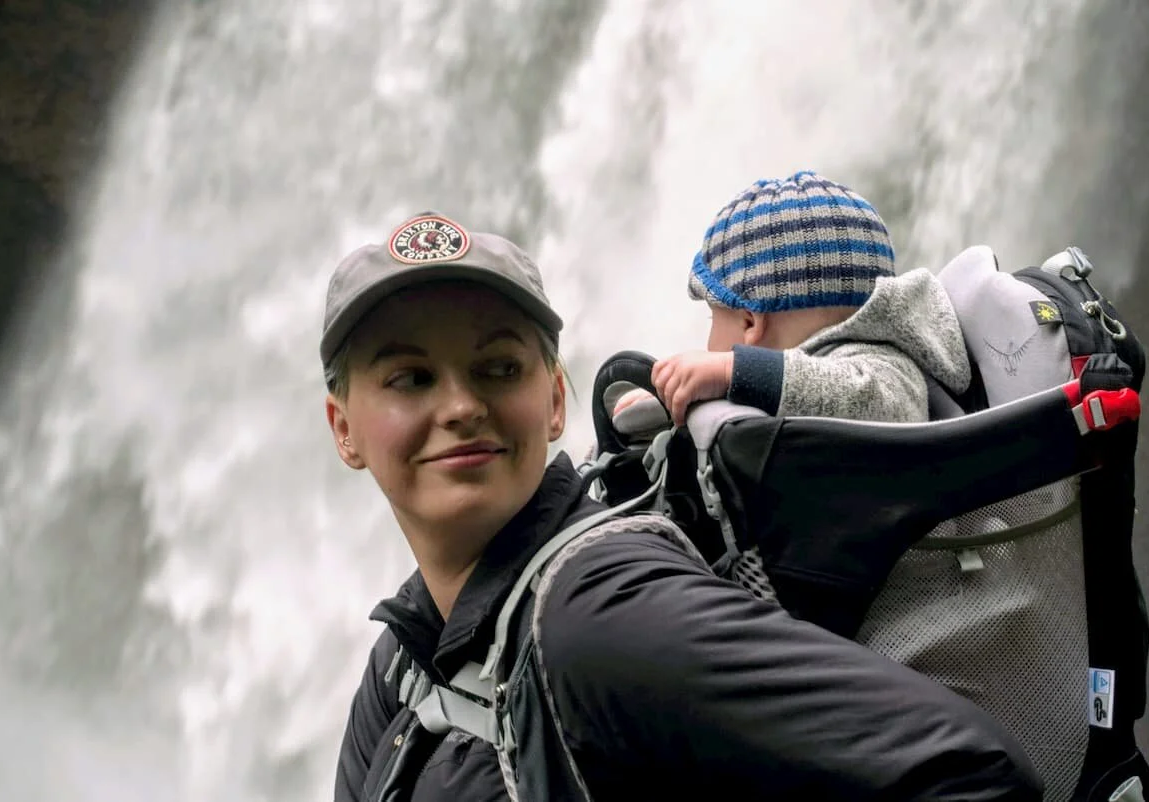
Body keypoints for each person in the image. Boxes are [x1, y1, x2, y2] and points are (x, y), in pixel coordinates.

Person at [321, 210, 1042, 801]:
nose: (460, 405)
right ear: (343, 428)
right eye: (411, 378)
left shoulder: (601, 617)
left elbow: (972, 772)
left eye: (499, 367)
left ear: (553, 402)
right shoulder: (402, 665)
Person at [612, 171, 972, 428]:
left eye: (713, 318)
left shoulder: (884, 364)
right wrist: (683, 400)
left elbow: (877, 404)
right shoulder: (799, 381)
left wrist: (729, 371)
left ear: (751, 323)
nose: (709, 345)